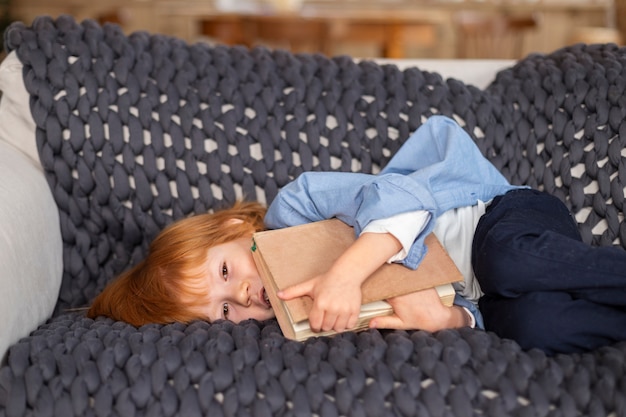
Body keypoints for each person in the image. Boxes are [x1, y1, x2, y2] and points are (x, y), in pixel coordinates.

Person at [88, 116, 626, 355]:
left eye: (225, 272)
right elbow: (454, 310)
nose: (243, 296)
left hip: (495, 218)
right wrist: (449, 320)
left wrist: (346, 274)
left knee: (510, 263)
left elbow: (401, 199)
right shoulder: (301, 322)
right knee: (537, 325)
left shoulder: (297, 206)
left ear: (231, 230)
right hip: (482, 299)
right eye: (225, 311)